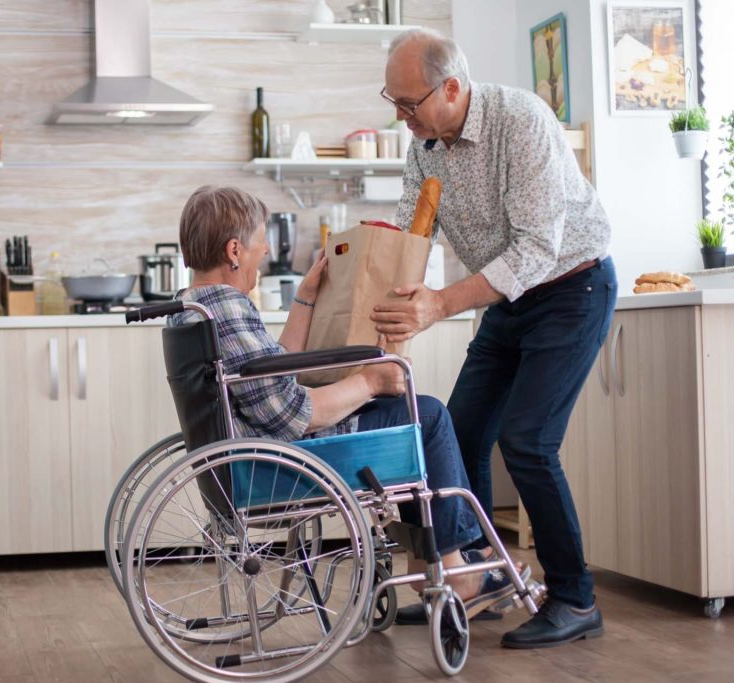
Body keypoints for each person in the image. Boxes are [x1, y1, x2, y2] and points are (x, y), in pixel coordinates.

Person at [168, 185, 529, 620]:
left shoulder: (196, 308)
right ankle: (456, 572)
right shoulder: (229, 310)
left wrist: (305, 298)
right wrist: (371, 381)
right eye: (259, 241)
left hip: (244, 462)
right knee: (427, 415)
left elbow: (270, 375)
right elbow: (295, 417)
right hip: (278, 467)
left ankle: (433, 564)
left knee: (402, 420)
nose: (263, 251)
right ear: (234, 250)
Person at [371, 28, 616, 648]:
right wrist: (367, 285)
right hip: (507, 301)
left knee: (529, 441)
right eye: (393, 103)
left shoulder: (522, 121)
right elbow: (409, 234)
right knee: (461, 432)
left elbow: (538, 248)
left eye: (409, 104)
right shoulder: (426, 146)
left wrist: (441, 305)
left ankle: (574, 597)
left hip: (569, 287)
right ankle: (482, 577)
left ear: (452, 88)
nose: (401, 119)